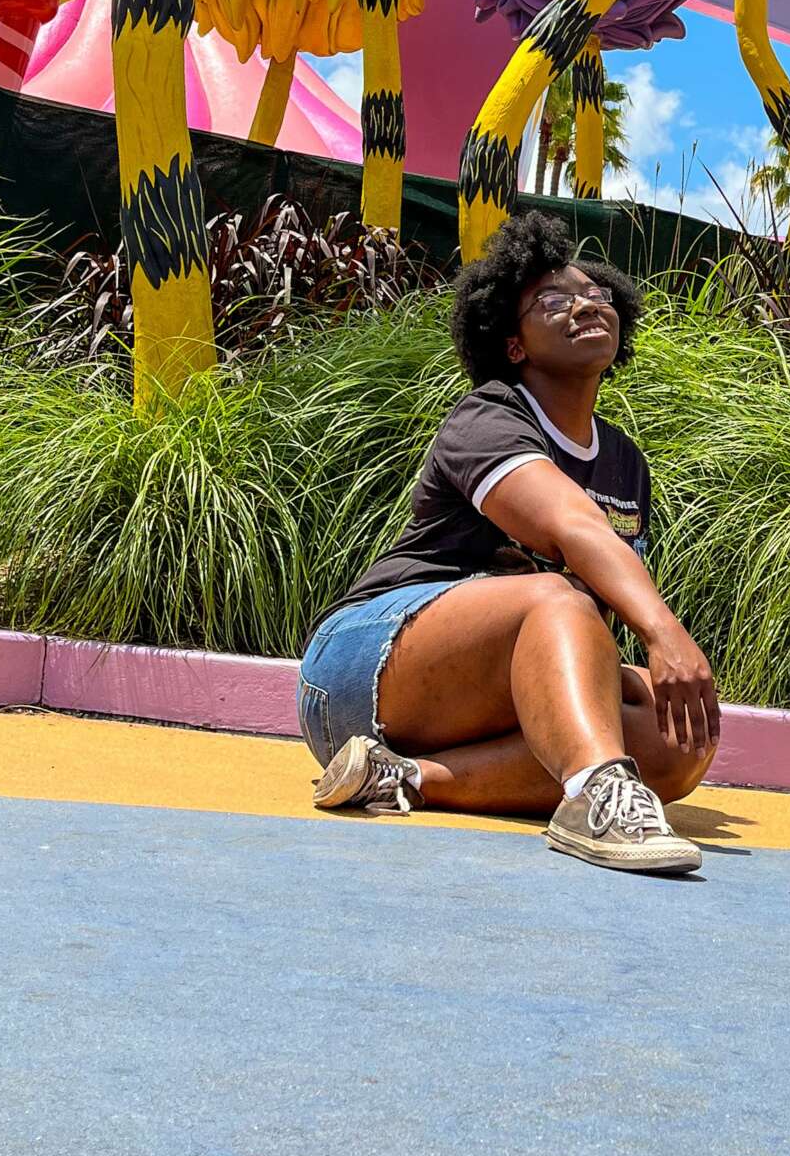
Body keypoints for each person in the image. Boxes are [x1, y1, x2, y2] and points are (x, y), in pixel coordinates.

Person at [297, 211, 720, 875]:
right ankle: (594, 798)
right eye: (553, 301)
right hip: (360, 665)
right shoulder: (489, 416)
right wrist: (664, 632)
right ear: (514, 344)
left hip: (477, 702)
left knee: (676, 740)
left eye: (596, 294)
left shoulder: (623, 461)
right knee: (551, 595)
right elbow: (572, 527)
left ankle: (404, 777)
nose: (586, 305)